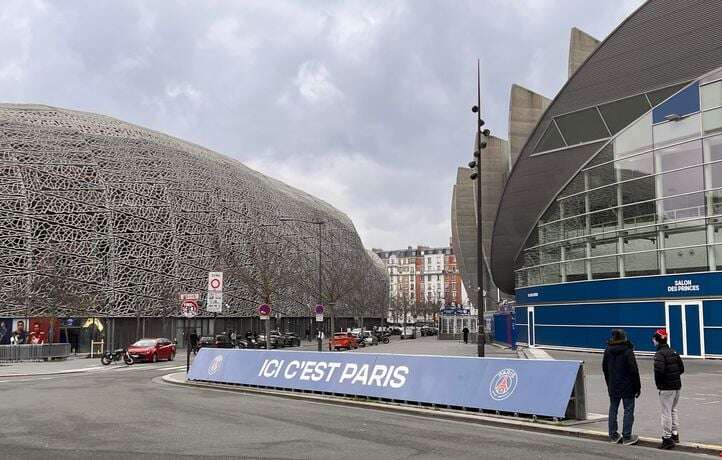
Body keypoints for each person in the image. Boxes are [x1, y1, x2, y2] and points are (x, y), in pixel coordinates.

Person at [602, 328, 641, 445]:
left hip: (613, 384)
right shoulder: (628, 350)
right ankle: (627, 436)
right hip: (628, 386)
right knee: (628, 410)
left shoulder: (608, 350)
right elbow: (634, 370)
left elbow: (604, 368)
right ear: (624, 337)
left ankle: (613, 435)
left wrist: (609, 382)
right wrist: (637, 387)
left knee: (613, 409)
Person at [653, 328, 684, 450]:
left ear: (657, 340)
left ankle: (667, 438)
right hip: (677, 386)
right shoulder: (673, 351)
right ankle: (675, 434)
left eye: (654, 339)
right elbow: (681, 368)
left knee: (666, 412)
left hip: (666, 388)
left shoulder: (659, 354)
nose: (653, 341)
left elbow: (659, 371)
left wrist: (660, 384)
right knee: (673, 410)